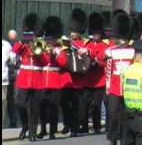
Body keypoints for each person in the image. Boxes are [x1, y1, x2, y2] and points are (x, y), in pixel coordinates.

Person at [105, 12, 135, 145]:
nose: (122, 40)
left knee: (126, 115)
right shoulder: (111, 50)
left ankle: (125, 138)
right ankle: (112, 138)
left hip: (128, 86)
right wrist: (108, 85)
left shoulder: (133, 50)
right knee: (113, 113)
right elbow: (108, 68)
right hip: (115, 85)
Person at [12, 13, 43, 141]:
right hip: (24, 80)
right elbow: (14, 50)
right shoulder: (23, 45)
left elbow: (45, 61)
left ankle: (33, 133)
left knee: (34, 108)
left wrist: (38, 52)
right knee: (20, 103)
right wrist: (22, 41)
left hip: (36, 80)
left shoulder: (40, 43)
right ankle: (25, 126)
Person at [37, 16, 67, 140]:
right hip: (43, 82)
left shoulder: (60, 50)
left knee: (53, 109)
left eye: (51, 39)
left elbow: (63, 63)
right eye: (48, 39)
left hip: (55, 82)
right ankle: (43, 129)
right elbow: (41, 62)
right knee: (42, 107)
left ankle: (52, 131)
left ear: (55, 39)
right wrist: (43, 53)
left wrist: (54, 55)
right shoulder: (42, 49)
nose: (49, 41)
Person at [60, 8, 88, 137]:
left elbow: (88, 57)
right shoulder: (64, 43)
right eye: (71, 31)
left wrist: (82, 52)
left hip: (78, 81)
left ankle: (74, 128)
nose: (73, 34)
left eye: (75, 32)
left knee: (77, 106)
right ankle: (67, 124)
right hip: (66, 79)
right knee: (65, 104)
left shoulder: (83, 43)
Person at [79, 12, 108, 134]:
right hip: (87, 79)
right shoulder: (86, 43)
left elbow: (103, 60)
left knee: (96, 104)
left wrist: (92, 57)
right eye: (94, 33)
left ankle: (96, 126)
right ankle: (84, 125)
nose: (96, 35)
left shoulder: (104, 45)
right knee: (84, 104)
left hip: (99, 80)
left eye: (98, 33)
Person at [7, 30, 20, 128]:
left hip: (16, 73)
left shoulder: (18, 45)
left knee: (15, 98)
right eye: (10, 38)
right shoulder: (7, 46)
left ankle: (16, 120)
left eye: (13, 37)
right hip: (8, 74)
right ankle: (13, 121)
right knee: (10, 99)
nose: (12, 39)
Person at [2, 39, 14, 128]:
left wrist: (10, 58)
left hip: (3, 79)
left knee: (3, 102)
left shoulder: (6, 44)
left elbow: (13, 59)